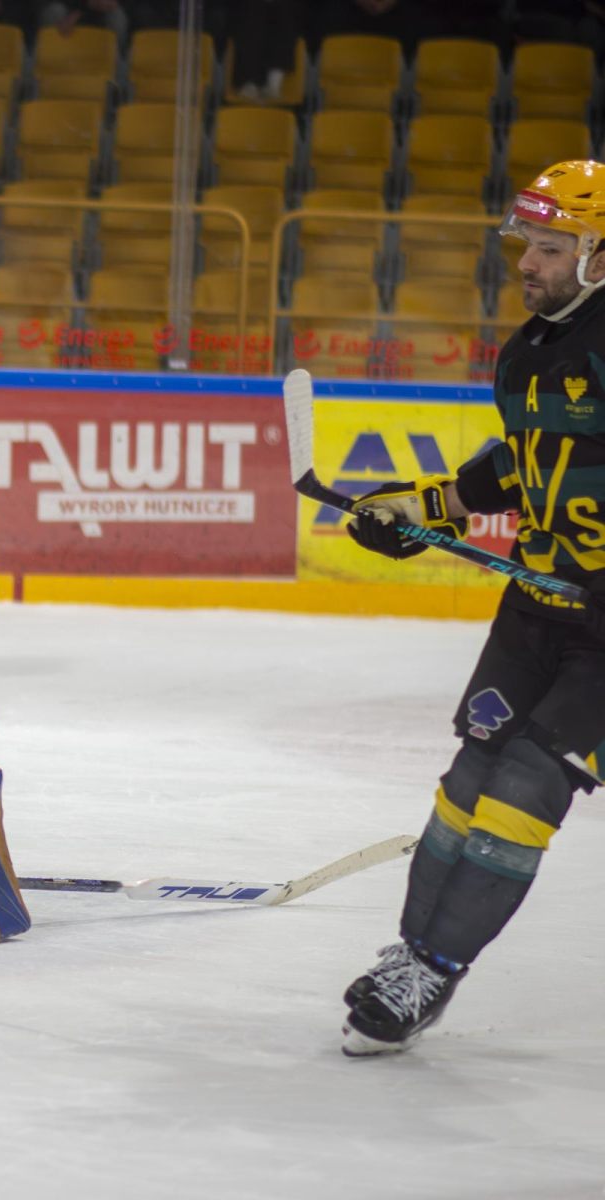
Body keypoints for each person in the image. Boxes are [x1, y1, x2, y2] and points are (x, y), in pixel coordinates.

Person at [338, 159, 605, 1056]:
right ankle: (413, 957)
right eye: (527, 243)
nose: (528, 261)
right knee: (468, 782)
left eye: (552, 247)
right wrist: (426, 509)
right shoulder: (527, 350)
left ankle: (435, 966)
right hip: (536, 606)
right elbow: (516, 464)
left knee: (527, 786)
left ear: (600, 255)